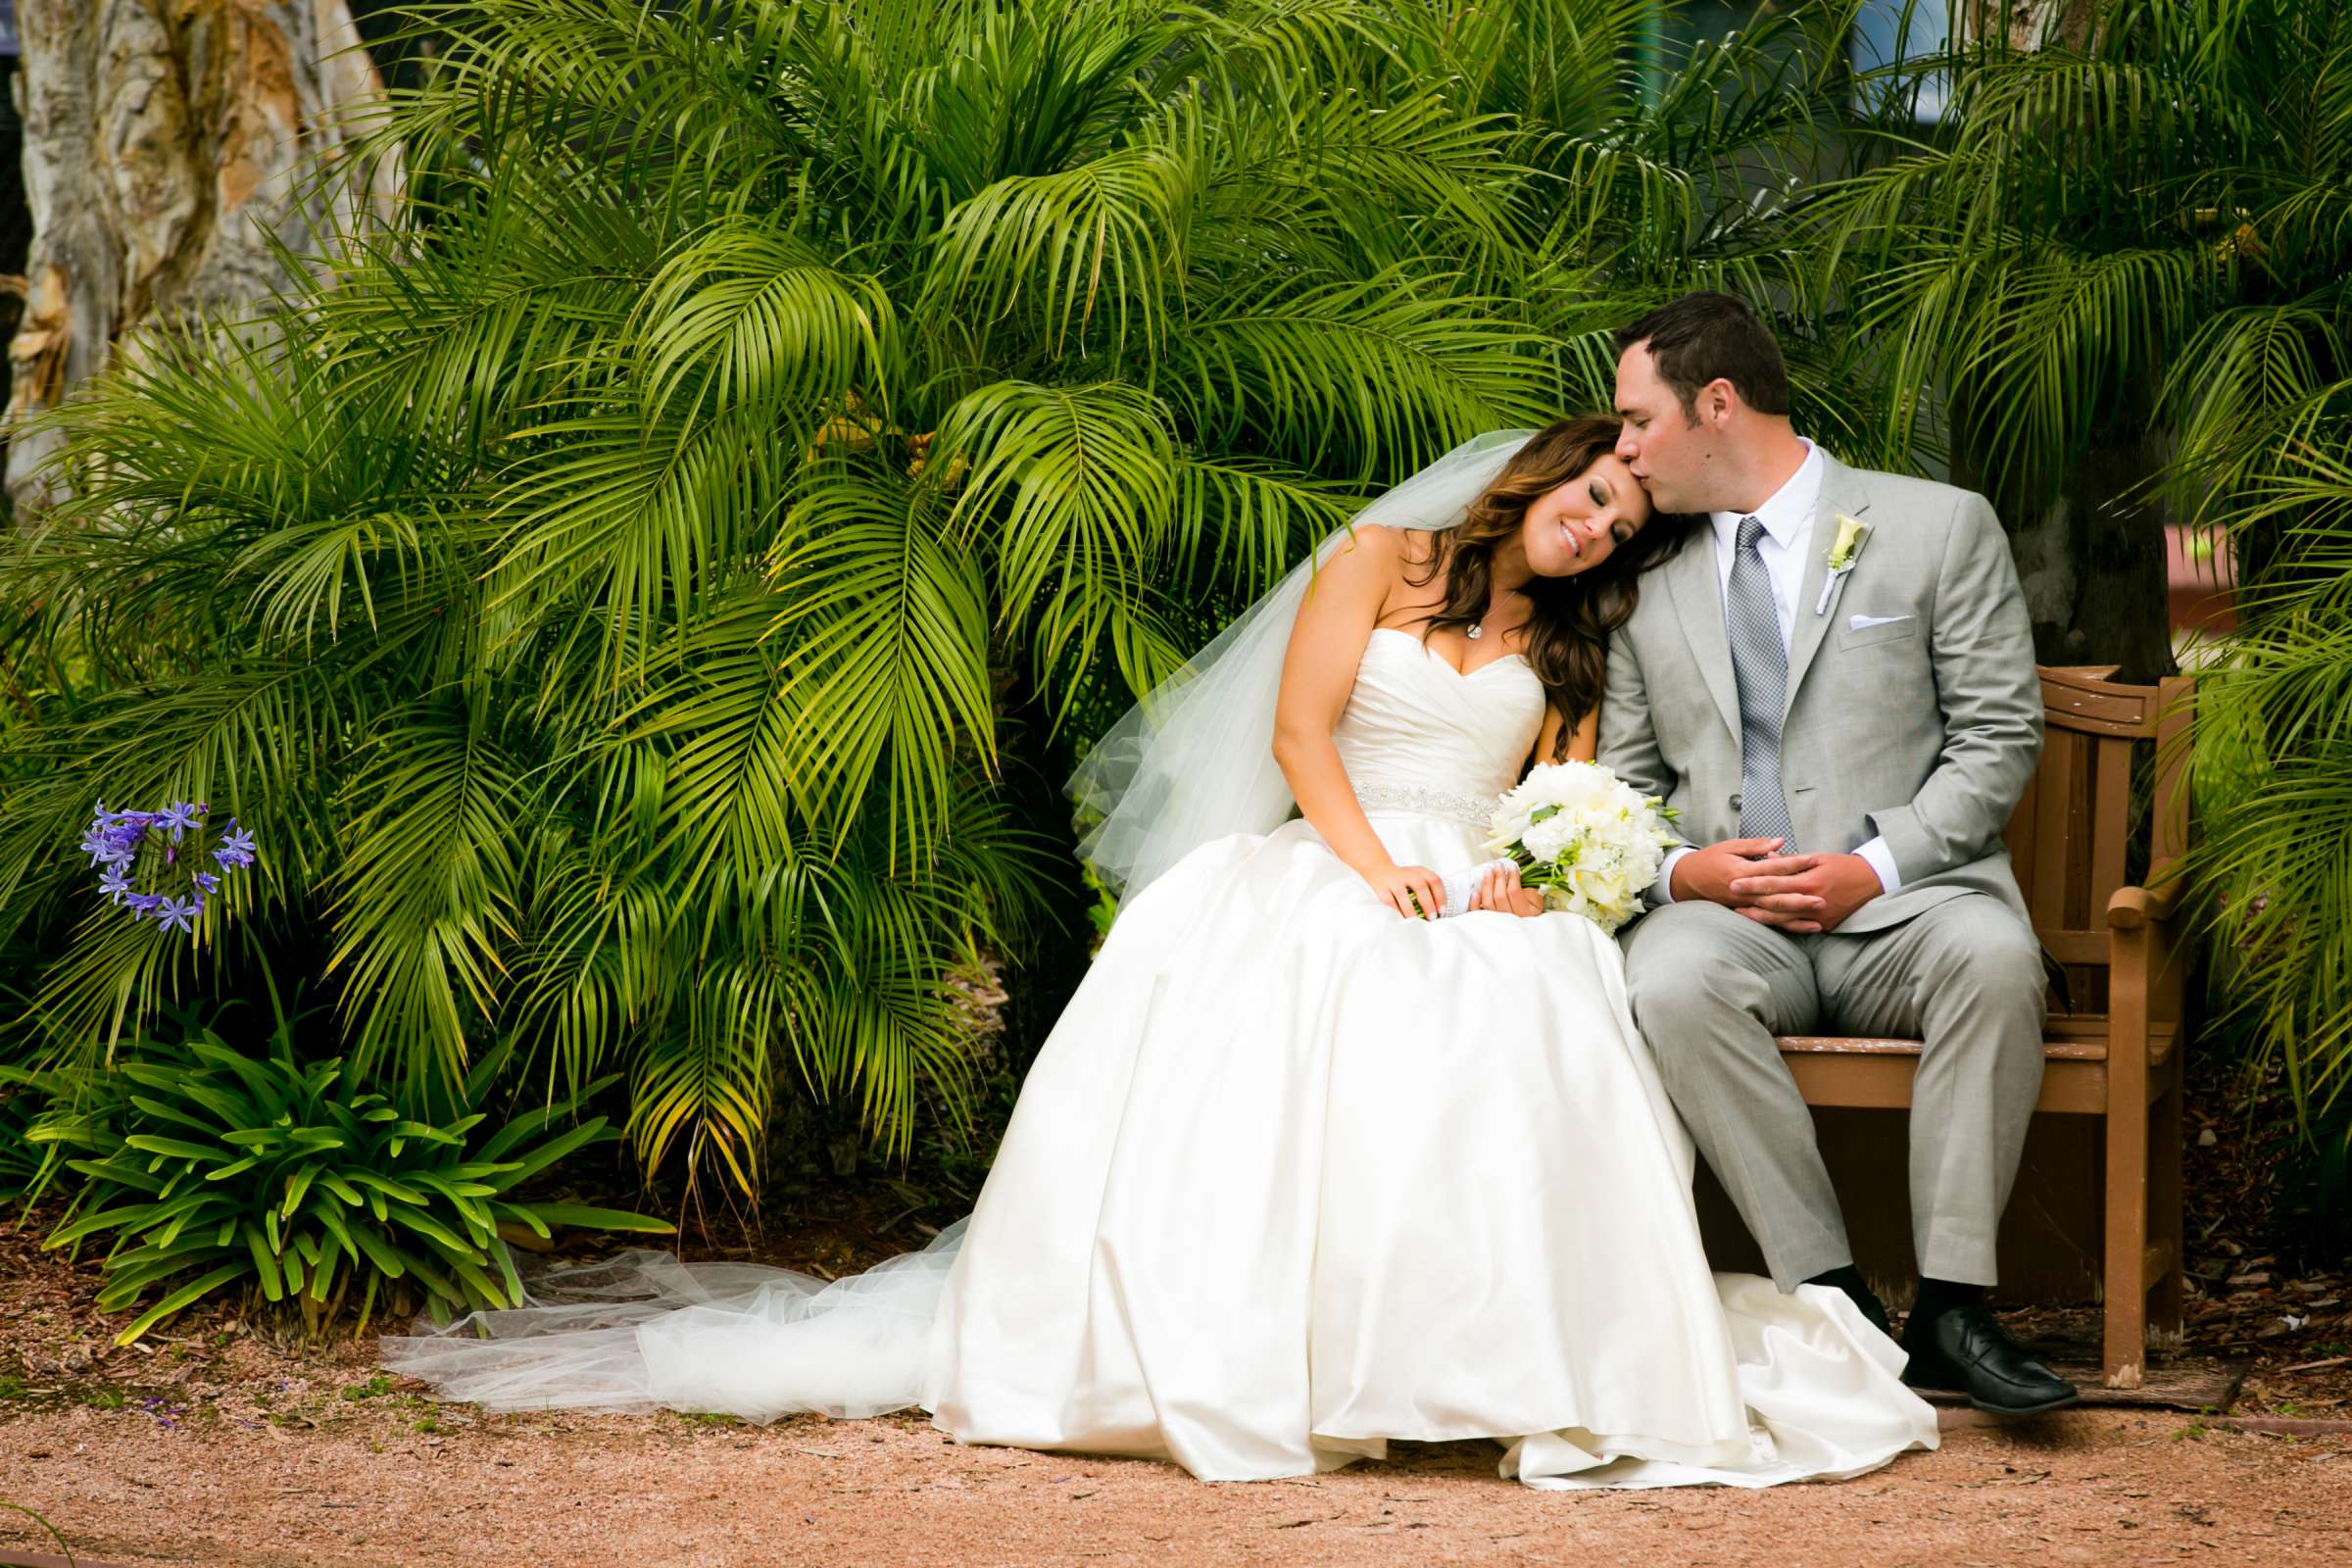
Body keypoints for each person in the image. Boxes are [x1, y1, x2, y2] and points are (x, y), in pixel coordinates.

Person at [379, 415, 1942, 1487]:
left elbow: (1565, 792)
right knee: (1322, 999)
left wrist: (1537, 876)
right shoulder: (1379, 563)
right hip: (1339, 849)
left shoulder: (1569, 647)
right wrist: (1379, 870)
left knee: (1534, 1001)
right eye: (1588, 491)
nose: (1596, 521)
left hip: (1480, 873)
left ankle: (1492, 1362)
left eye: (1620, 517)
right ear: (1538, 474)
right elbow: (1299, 731)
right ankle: (1290, 1361)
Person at [1599, 291, 2078, 1415]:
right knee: (1666, 976)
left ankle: (1955, 1307)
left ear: (1716, 403)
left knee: (1995, 960)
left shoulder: (1936, 524)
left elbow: (1999, 734)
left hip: (1908, 910)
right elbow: (1624, 788)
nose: (1620, 448)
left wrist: (1879, 863)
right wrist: (1685, 875)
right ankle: (1834, 1301)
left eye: (1635, 419)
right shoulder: (1644, 582)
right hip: (1732, 919)